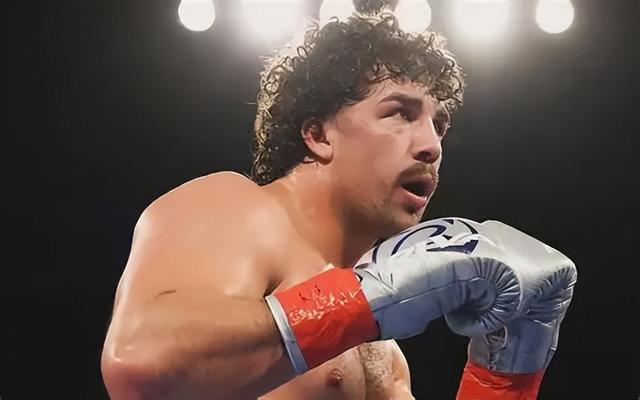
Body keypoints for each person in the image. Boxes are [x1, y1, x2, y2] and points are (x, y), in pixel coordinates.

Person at [101, 12, 577, 400]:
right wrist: (364, 297)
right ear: (318, 134)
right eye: (400, 113)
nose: (431, 146)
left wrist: (504, 375)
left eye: (439, 126)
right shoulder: (240, 208)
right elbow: (142, 364)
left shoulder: (382, 349)